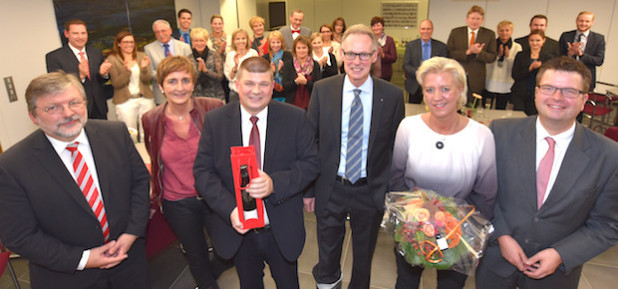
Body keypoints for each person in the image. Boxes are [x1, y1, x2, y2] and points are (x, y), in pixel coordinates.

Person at [475, 56, 618, 289]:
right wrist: (501, 235)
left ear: (584, 100)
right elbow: (482, 192)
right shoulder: (500, 133)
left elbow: (607, 224)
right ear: (536, 92)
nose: (557, 97)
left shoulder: (609, 155)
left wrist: (561, 254)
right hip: (496, 263)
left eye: (570, 91)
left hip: (557, 274)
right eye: (549, 88)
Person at [0, 71, 150, 288]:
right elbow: (19, 236)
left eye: (74, 102)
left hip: (129, 265)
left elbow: (139, 184)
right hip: (66, 276)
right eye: (53, 108)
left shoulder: (115, 134)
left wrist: (132, 232)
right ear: (33, 116)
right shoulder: (12, 165)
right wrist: (83, 259)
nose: (68, 113)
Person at [193, 56, 320, 289]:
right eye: (249, 83)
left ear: (273, 86)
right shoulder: (216, 121)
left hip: (280, 227)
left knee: (288, 283)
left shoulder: (295, 118)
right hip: (238, 231)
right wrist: (229, 210)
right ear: (236, 84)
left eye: (264, 84)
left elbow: (311, 163)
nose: (256, 91)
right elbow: (203, 173)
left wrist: (275, 184)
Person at [307, 24, 405, 289]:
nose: (356, 61)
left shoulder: (393, 96)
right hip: (330, 187)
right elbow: (311, 142)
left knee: (364, 257)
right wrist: (308, 190)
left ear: (375, 55)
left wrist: (390, 191)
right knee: (326, 255)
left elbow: (396, 147)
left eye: (363, 54)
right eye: (350, 54)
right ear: (341, 55)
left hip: (369, 190)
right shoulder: (323, 90)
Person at [390, 56, 497, 289]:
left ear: (460, 90)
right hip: (412, 226)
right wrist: (415, 215)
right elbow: (396, 179)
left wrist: (459, 228)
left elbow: (486, 194)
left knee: (450, 285)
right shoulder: (408, 127)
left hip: (458, 232)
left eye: (445, 89)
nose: (437, 97)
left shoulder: (481, 135)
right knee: (406, 282)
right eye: (430, 89)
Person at [142, 56, 225, 289]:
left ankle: (209, 275)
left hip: (213, 196)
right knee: (196, 256)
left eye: (185, 80)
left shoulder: (213, 108)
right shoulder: (150, 119)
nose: (180, 87)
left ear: (193, 82)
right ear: (161, 86)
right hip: (176, 201)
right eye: (172, 81)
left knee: (227, 251)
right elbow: (155, 157)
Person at [46, 19, 112, 119]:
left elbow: (101, 80)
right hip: (74, 110)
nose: (80, 37)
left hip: (99, 107)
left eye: (83, 33)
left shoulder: (95, 52)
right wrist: (80, 76)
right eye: (75, 33)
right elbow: (57, 86)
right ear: (66, 34)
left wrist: (103, 74)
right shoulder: (54, 57)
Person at [107, 31, 155, 142]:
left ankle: (148, 157)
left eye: (131, 42)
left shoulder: (142, 56)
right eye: (125, 42)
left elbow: (147, 80)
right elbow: (117, 83)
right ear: (118, 44)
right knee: (130, 134)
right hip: (125, 102)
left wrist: (143, 68)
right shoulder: (112, 59)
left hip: (145, 99)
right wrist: (127, 71)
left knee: (148, 133)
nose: (129, 45)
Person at [447, 5, 497, 104]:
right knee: (455, 105)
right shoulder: (456, 32)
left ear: (482, 20)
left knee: (472, 108)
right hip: (457, 76)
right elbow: (449, 53)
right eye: (472, 18)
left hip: (477, 79)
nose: (475, 21)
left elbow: (492, 57)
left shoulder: (489, 34)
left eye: (478, 19)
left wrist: (479, 53)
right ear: (467, 19)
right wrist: (467, 52)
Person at [144, 19, 193, 104]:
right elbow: (150, 72)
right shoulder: (149, 49)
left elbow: (191, 69)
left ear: (170, 31)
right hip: (161, 96)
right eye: (157, 32)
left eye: (163, 31)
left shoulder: (184, 47)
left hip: (183, 93)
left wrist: (176, 64)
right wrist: (167, 76)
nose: (161, 34)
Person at [403, 19, 448, 104]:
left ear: (432, 30)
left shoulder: (441, 47)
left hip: (435, 85)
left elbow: (444, 66)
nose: (425, 31)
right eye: (423, 29)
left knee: (434, 109)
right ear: (419, 30)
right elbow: (406, 65)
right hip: (414, 84)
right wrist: (418, 72)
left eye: (428, 29)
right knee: (414, 110)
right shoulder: (411, 46)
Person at [559, 11, 605, 91]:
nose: (583, 23)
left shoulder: (599, 39)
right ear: (576, 21)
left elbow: (599, 61)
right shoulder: (566, 36)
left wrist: (581, 54)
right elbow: (558, 57)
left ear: (592, 23)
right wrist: (569, 55)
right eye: (581, 20)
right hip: (566, 76)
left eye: (587, 21)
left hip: (585, 79)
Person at [484, 20, 522, 109]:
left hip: (506, 83)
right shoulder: (491, 44)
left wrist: (507, 57)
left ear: (511, 31)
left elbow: (517, 66)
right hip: (491, 81)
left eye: (507, 30)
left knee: (500, 109)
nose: (504, 33)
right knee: (486, 108)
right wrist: (498, 56)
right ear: (497, 31)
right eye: (501, 30)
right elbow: (486, 63)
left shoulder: (517, 47)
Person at [512, 30, 550, 116]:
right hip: (519, 93)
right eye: (532, 40)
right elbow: (515, 75)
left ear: (543, 40)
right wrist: (530, 68)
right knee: (518, 118)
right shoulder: (521, 55)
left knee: (532, 119)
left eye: (538, 40)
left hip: (537, 94)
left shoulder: (548, 57)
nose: (534, 43)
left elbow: (549, 78)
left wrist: (541, 67)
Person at [282, 35, 321, 109]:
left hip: (311, 106)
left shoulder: (315, 65)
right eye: (298, 48)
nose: (301, 51)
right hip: (292, 106)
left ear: (308, 49)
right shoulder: (288, 64)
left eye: (304, 48)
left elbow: (318, 87)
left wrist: (306, 83)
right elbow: (285, 86)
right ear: (294, 49)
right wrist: (296, 82)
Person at [224, 29, 259, 102]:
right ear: (233, 41)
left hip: (251, 92)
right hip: (235, 93)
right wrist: (236, 66)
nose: (241, 41)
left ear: (247, 40)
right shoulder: (230, 55)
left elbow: (257, 73)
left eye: (243, 38)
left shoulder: (253, 53)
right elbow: (230, 77)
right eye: (238, 39)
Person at [190, 27, 225, 100]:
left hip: (216, 97)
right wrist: (199, 71)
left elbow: (220, 77)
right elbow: (189, 81)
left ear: (206, 41)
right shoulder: (188, 59)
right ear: (192, 42)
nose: (199, 43)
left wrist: (206, 71)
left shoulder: (215, 55)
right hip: (197, 98)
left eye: (202, 40)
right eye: (196, 41)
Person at [208, 14, 232, 101]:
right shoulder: (207, 40)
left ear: (222, 24)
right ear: (211, 24)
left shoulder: (230, 38)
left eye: (219, 23)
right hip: (214, 73)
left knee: (228, 95)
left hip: (227, 71)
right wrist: (219, 52)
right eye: (215, 24)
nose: (217, 26)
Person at [262, 31, 292, 102]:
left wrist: (282, 70)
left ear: (282, 43)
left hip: (286, 92)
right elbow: (263, 78)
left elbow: (291, 75)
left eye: (278, 42)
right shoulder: (265, 58)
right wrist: (272, 72)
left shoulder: (288, 56)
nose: (276, 45)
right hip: (271, 93)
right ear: (269, 43)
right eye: (273, 42)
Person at [370, 16, 397, 82]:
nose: (376, 28)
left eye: (378, 25)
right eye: (374, 26)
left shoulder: (389, 40)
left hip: (385, 74)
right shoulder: (369, 40)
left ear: (383, 27)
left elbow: (394, 58)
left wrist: (383, 55)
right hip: (370, 73)